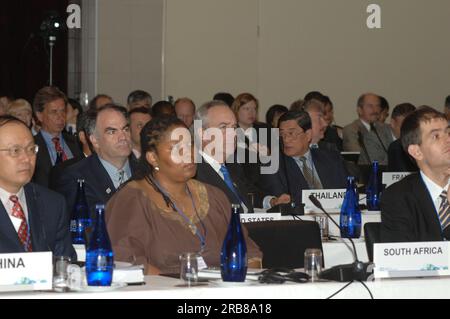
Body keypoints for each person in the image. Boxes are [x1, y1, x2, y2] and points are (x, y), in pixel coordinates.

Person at [105, 115, 262, 274]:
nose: (188, 154)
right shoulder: (131, 200)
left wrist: (243, 282)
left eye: (190, 145)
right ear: (153, 158)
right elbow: (126, 261)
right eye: (176, 148)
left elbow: (250, 253)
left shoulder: (214, 196)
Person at [0, 115, 75, 258]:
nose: (26, 158)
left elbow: (64, 263)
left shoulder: (53, 203)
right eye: (15, 151)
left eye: (30, 149)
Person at [194, 100, 289, 212]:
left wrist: (271, 201)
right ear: (202, 134)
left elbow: (247, 193)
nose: (233, 133)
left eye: (234, 127)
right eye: (223, 127)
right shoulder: (193, 172)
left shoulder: (232, 165)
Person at [381, 107, 450, 242]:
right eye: (436, 136)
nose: (448, 139)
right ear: (417, 152)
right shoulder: (398, 197)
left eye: (449, 133)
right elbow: (401, 259)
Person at [55, 104, 135, 218]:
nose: (123, 137)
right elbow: (89, 227)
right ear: (95, 140)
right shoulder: (76, 177)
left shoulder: (147, 172)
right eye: (112, 132)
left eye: (125, 129)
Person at [259, 110, 347, 210]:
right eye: (282, 134)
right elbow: (283, 202)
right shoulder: (274, 165)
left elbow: (346, 194)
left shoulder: (331, 159)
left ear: (308, 134)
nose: (286, 139)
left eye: (291, 133)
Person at [32, 87, 82, 187]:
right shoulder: (32, 145)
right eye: (54, 112)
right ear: (39, 116)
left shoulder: (76, 141)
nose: (61, 117)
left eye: (63, 111)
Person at [342, 93, 393, 165]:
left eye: (378, 106)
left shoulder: (387, 128)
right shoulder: (351, 129)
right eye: (370, 106)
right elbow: (361, 157)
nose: (375, 110)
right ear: (359, 110)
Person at [387, 103, 418, 172]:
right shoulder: (377, 137)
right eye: (404, 127)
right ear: (393, 123)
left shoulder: (420, 141)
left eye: (413, 127)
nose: (409, 131)